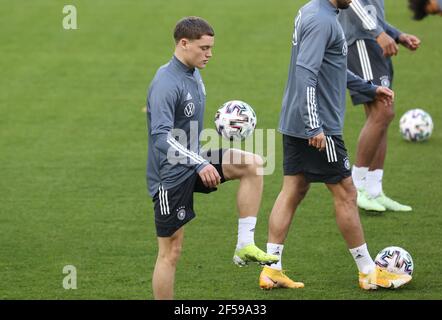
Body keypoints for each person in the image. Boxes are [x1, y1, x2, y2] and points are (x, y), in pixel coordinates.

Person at [258, 0, 412, 290]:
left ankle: (271, 268)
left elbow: (334, 66)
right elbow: (306, 72)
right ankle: (368, 271)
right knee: (346, 192)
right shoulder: (322, 20)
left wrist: (368, 88)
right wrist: (314, 125)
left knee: (293, 188)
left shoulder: (318, 11)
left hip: (295, 118)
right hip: (318, 124)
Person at [146, 16, 278, 300]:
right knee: (171, 252)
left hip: (192, 157)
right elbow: (160, 138)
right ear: (184, 43)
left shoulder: (193, 72)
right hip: (169, 175)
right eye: (204, 48)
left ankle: (245, 243)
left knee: (252, 164)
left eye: (211, 48)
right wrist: (200, 163)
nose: (209, 54)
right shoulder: (167, 82)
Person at [338, 1, 421, 212]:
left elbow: (371, 11)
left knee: (381, 116)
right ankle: (355, 187)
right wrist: (379, 33)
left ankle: (374, 189)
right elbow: (354, 3)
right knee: (383, 112)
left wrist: (396, 34)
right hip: (362, 42)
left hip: (371, 40)